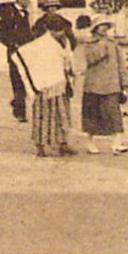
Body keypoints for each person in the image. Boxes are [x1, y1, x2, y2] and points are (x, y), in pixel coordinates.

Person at [15, 16, 76, 157]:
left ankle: (62, 143)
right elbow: (22, 55)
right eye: (58, 31)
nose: (61, 33)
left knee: (62, 115)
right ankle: (40, 146)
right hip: (44, 85)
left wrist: (69, 71)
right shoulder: (41, 44)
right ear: (51, 30)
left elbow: (67, 59)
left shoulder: (64, 42)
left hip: (60, 84)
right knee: (42, 116)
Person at [77, 19, 128, 154]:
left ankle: (117, 143)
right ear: (95, 28)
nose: (104, 28)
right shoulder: (89, 43)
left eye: (106, 25)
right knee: (92, 115)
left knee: (114, 114)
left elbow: (120, 64)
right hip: (93, 84)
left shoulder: (113, 43)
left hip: (111, 83)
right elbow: (91, 59)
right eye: (101, 25)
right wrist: (102, 46)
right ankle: (90, 141)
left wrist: (124, 83)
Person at [0, 0, 32, 122]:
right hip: (15, 53)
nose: (28, 1)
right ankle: (21, 112)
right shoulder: (9, 13)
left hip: (27, 53)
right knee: (18, 82)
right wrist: (11, 43)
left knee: (26, 82)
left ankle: (17, 102)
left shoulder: (26, 14)